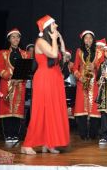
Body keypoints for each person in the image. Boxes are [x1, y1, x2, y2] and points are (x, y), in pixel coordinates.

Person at [21, 15, 69, 155]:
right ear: (48, 27)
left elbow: (63, 57)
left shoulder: (51, 41)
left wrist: (60, 40)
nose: (57, 26)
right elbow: (54, 53)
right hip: (44, 78)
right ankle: (27, 144)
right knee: (40, 111)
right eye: (54, 24)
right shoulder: (40, 41)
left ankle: (49, 143)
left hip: (54, 78)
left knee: (52, 111)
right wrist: (55, 39)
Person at [0, 28, 29, 143]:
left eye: (18, 37)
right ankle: (8, 135)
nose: (16, 39)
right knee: (6, 112)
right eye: (13, 37)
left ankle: (15, 135)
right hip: (7, 85)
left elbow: (26, 70)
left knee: (17, 112)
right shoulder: (3, 53)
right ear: (9, 39)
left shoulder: (25, 54)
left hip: (20, 86)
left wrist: (19, 78)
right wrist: (10, 77)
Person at [73, 30, 101, 140]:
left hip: (94, 83)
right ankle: (83, 134)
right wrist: (80, 77)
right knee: (81, 108)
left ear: (93, 40)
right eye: (86, 38)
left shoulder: (99, 52)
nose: (88, 40)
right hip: (82, 83)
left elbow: (103, 67)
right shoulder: (79, 51)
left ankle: (93, 134)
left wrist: (95, 66)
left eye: (90, 38)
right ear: (83, 40)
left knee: (94, 109)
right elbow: (75, 67)